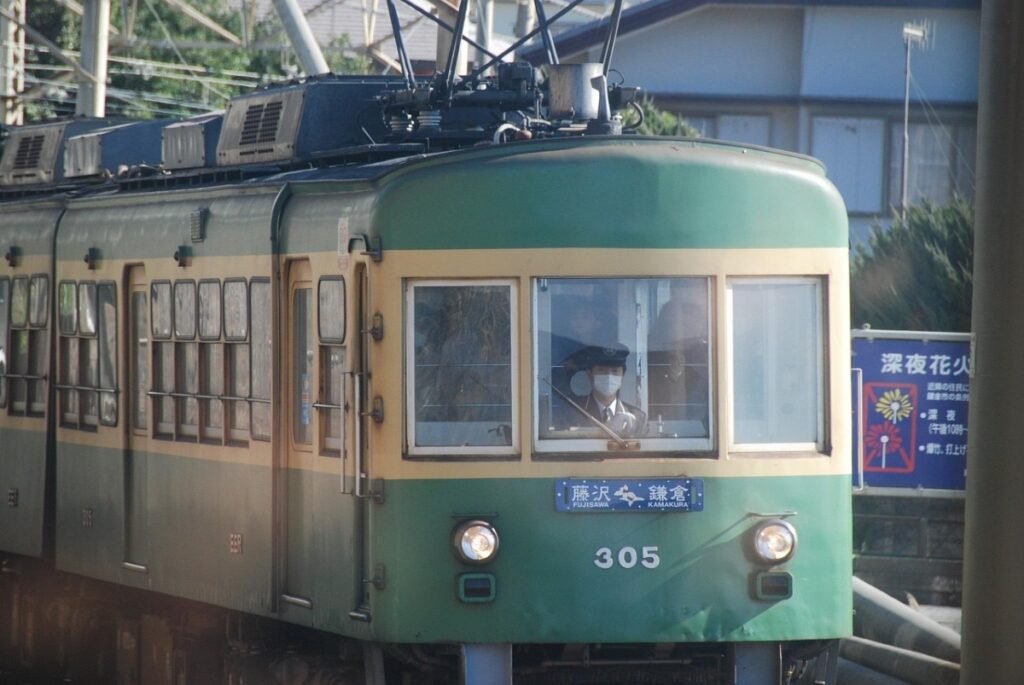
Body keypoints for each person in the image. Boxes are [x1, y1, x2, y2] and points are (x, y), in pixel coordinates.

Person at [566, 344, 647, 438]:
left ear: (622, 375)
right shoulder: (572, 411)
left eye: (615, 371)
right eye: (601, 370)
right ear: (589, 374)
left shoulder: (638, 417)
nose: (609, 376)